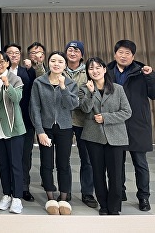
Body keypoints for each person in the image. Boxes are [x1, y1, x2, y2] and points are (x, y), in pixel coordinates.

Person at [107, 39, 155, 211]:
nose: (123, 56)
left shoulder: (142, 71)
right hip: (116, 123)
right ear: (115, 53)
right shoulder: (107, 71)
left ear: (133, 56)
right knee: (117, 163)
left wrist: (151, 76)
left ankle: (144, 197)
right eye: (120, 52)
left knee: (140, 163)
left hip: (138, 124)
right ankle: (120, 191)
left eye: (127, 53)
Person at [80, 57, 132, 215]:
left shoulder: (118, 88)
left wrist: (106, 118)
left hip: (116, 137)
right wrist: (90, 93)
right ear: (87, 72)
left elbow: (127, 112)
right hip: (93, 136)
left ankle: (114, 207)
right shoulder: (84, 88)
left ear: (104, 69)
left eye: (97, 68)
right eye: (90, 68)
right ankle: (103, 204)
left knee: (116, 174)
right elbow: (84, 109)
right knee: (98, 172)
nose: (94, 71)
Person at [29, 51, 78, 215]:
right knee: (47, 163)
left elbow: (71, 105)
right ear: (48, 63)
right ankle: (50, 197)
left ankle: (63, 198)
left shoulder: (71, 83)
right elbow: (34, 108)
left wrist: (63, 87)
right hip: (46, 129)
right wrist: (40, 131)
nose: (56, 64)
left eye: (60, 61)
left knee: (64, 163)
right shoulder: (39, 82)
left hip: (65, 128)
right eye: (53, 61)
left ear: (65, 65)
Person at [0, 50, 25, 214]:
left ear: (8, 63)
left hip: (13, 127)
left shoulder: (15, 79)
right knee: (2, 164)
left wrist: (7, 84)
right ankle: (7, 194)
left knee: (15, 164)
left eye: (2, 61)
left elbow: (17, 98)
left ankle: (17, 198)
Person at [63, 41, 96, 208]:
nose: (73, 52)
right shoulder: (59, 68)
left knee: (87, 159)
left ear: (82, 55)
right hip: (65, 120)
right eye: (70, 49)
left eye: (77, 50)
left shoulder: (89, 71)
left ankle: (88, 193)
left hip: (84, 120)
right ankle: (65, 190)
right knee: (64, 158)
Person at [4, 43, 36, 202]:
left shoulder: (28, 72)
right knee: (7, 155)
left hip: (25, 120)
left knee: (25, 156)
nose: (14, 55)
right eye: (10, 53)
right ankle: (9, 187)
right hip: (5, 121)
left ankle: (24, 187)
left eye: (17, 53)